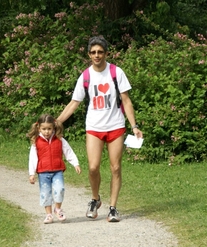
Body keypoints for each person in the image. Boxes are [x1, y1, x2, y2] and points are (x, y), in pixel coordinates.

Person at [57, 36, 143, 222]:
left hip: (116, 126)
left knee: (116, 167)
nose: (97, 55)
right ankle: (95, 199)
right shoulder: (86, 76)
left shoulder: (116, 72)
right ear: (89, 54)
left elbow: (126, 100)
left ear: (106, 53)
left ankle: (113, 208)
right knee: (93, 167)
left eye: (100, 52)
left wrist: (134, 126)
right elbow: (74, 103)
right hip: (94, 127)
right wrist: (57, 122)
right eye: (93, 52)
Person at [28, 114, 81, 224]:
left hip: (57, 171)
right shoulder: (36, 142)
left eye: (49, 129)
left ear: (53, 128)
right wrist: (31, 173)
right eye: (44, 129)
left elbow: (68, 151)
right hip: (43, 172)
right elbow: (33, 158)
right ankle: (48, 215)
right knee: (45, 193)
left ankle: (58, 209)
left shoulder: (60, 140)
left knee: (60, 189)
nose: (47, 132)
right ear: (39, 128)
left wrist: (75, 163)